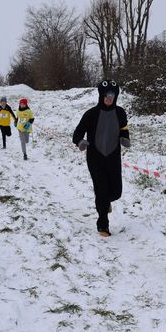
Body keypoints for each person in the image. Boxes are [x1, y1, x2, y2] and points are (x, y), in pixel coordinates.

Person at [72, 79, 130, 237]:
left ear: (115, 96)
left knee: (116, 192)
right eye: (106, 95)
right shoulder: (91, 114)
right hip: (95, 158)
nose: (109, 98)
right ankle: (102, 225)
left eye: (112, 95)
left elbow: (124, 129)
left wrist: (125, 138)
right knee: (101, 190)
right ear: (101, 95)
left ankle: (105, 202)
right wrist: (80, 141)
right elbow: (77, 133)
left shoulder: (120, 113)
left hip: (113, 157)